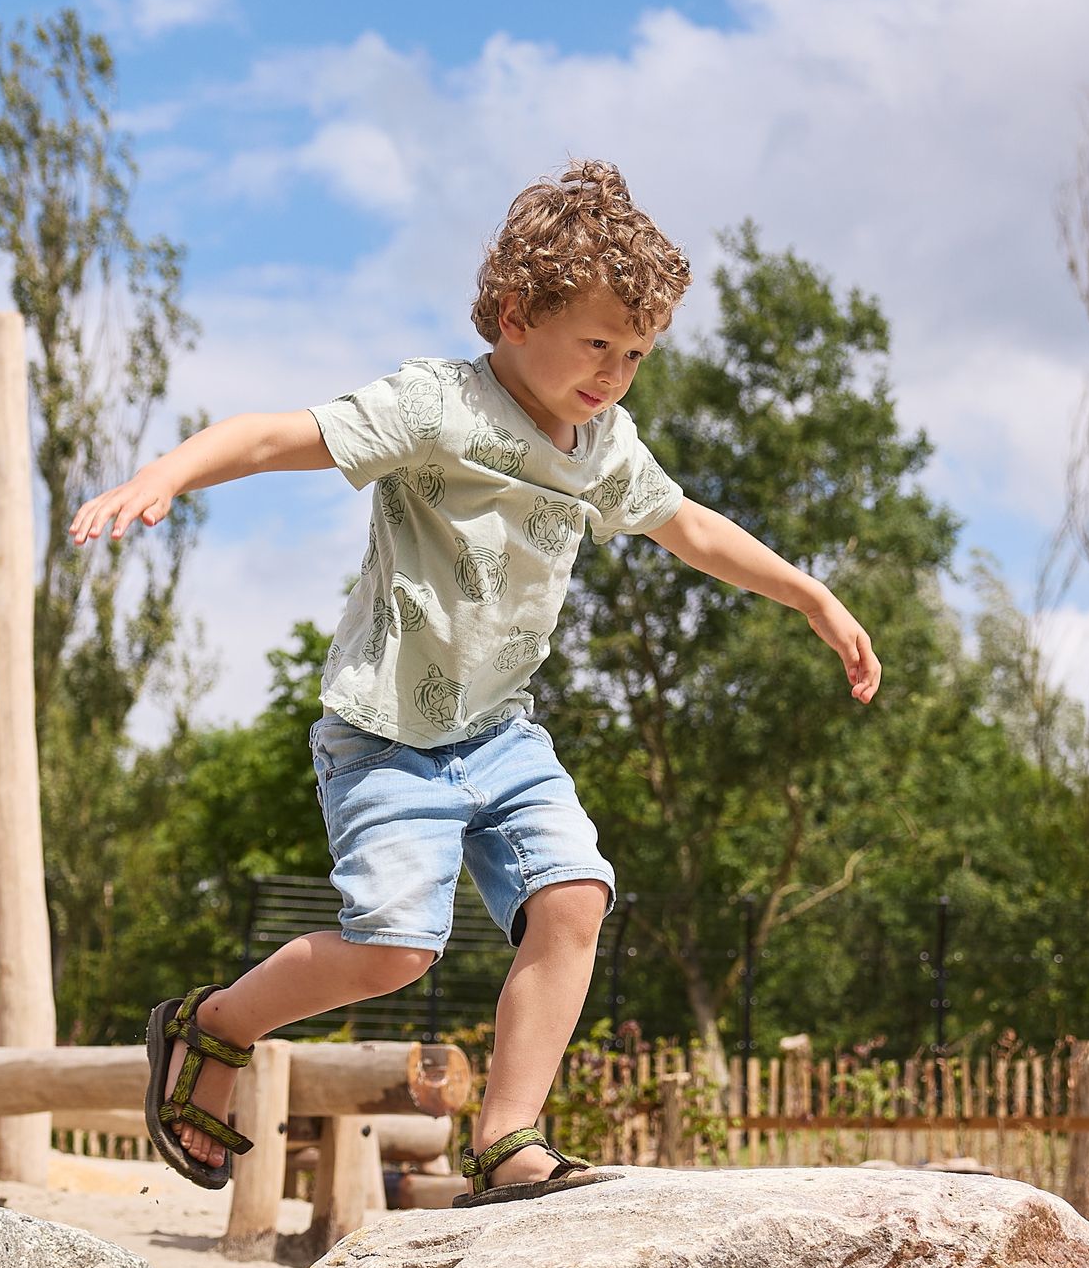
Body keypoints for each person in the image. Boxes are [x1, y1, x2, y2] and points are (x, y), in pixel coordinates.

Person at [70, 162, 880, 1205]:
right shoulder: (437, 406)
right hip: (386, 736)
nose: (616, 373)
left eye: (636, 354)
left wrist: (809, 593)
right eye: (598, 344)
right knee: (395, 953)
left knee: (576, 896)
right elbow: (280, 434)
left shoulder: (603, 445)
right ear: (513, 315)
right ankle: (213, 1024)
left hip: (500, 734)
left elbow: (690, 528)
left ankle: (506, 1137)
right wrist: (164, 474)